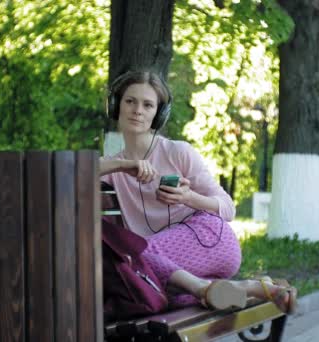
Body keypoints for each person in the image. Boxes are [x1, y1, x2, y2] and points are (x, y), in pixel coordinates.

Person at [99, 70, 296, 314]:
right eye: (130, 101)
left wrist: (188, 198)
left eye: (148, 105)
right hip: (165, 266)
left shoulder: (177, 152)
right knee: (166, 296)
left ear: (158, 114)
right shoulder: (111, 168)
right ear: (116, 105)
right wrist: (122, 164)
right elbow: (79, 173)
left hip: (209, 239)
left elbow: (228, 208)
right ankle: (248, 289)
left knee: (130, 253)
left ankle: (203, 287)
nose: (137, 110)